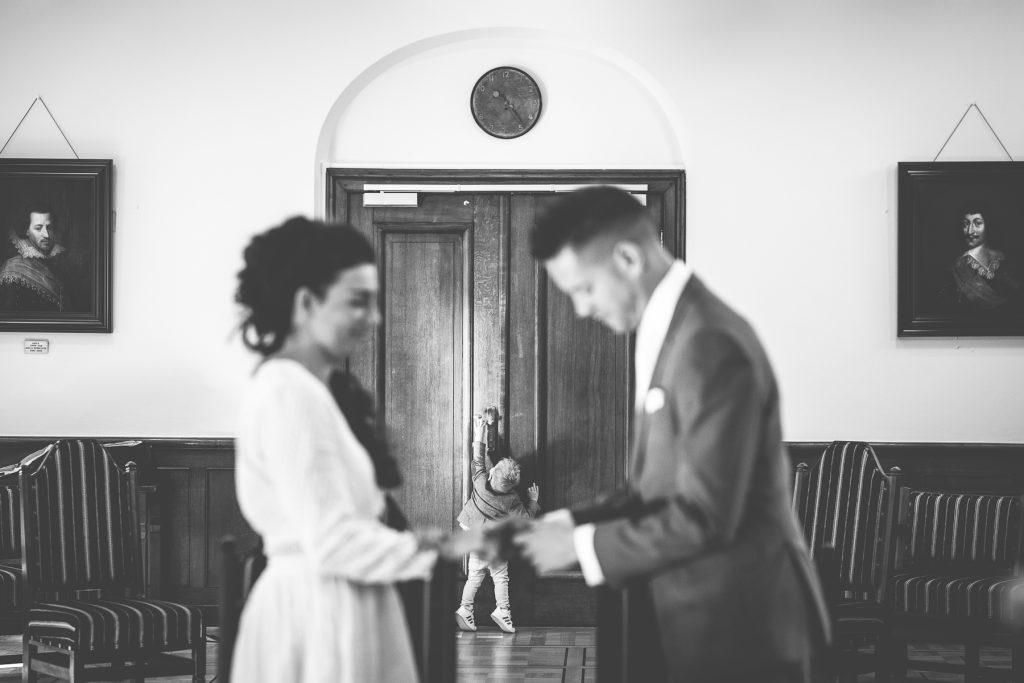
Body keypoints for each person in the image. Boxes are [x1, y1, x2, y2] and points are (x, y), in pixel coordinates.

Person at [512, 187, 830, 683]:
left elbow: (704, 516)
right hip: (693, 618)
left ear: (627, 258)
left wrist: (582, 548)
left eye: (584, 289)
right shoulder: (670, 330)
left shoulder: (709, 342)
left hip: (741, 629)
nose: (579, 309)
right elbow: (653, 491)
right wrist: (561, 524)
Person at [232, 216, 470, 683]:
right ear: (305, 303)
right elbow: (332, 540)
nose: (375, 318)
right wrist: (429, 552)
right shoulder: (288, 393)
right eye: (358, 303)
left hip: (342, 600)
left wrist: (414, 541)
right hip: (319, 616)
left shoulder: (313, 390)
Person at [454, 409, 540, 634]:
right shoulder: (512, 500)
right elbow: (526, 520)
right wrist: (532, 501)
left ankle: (465, 608)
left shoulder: (480, 480)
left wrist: (480, 432)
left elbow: (477, 458)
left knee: (474, 576)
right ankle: (503, 611)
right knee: (500, 576)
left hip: (474, 536)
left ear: (491, 473)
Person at [0, 202, 79, 311]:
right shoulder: (12, 269)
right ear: (27, 230)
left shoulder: (61, 265)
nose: (46, 234)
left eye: (49, 227)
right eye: (38, 228)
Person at [950, 203, 1022, 312]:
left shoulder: (1003, 257)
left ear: (988, 224)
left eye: (977, 223)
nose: (970, 231)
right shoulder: (961, 264)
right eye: (965, 224)